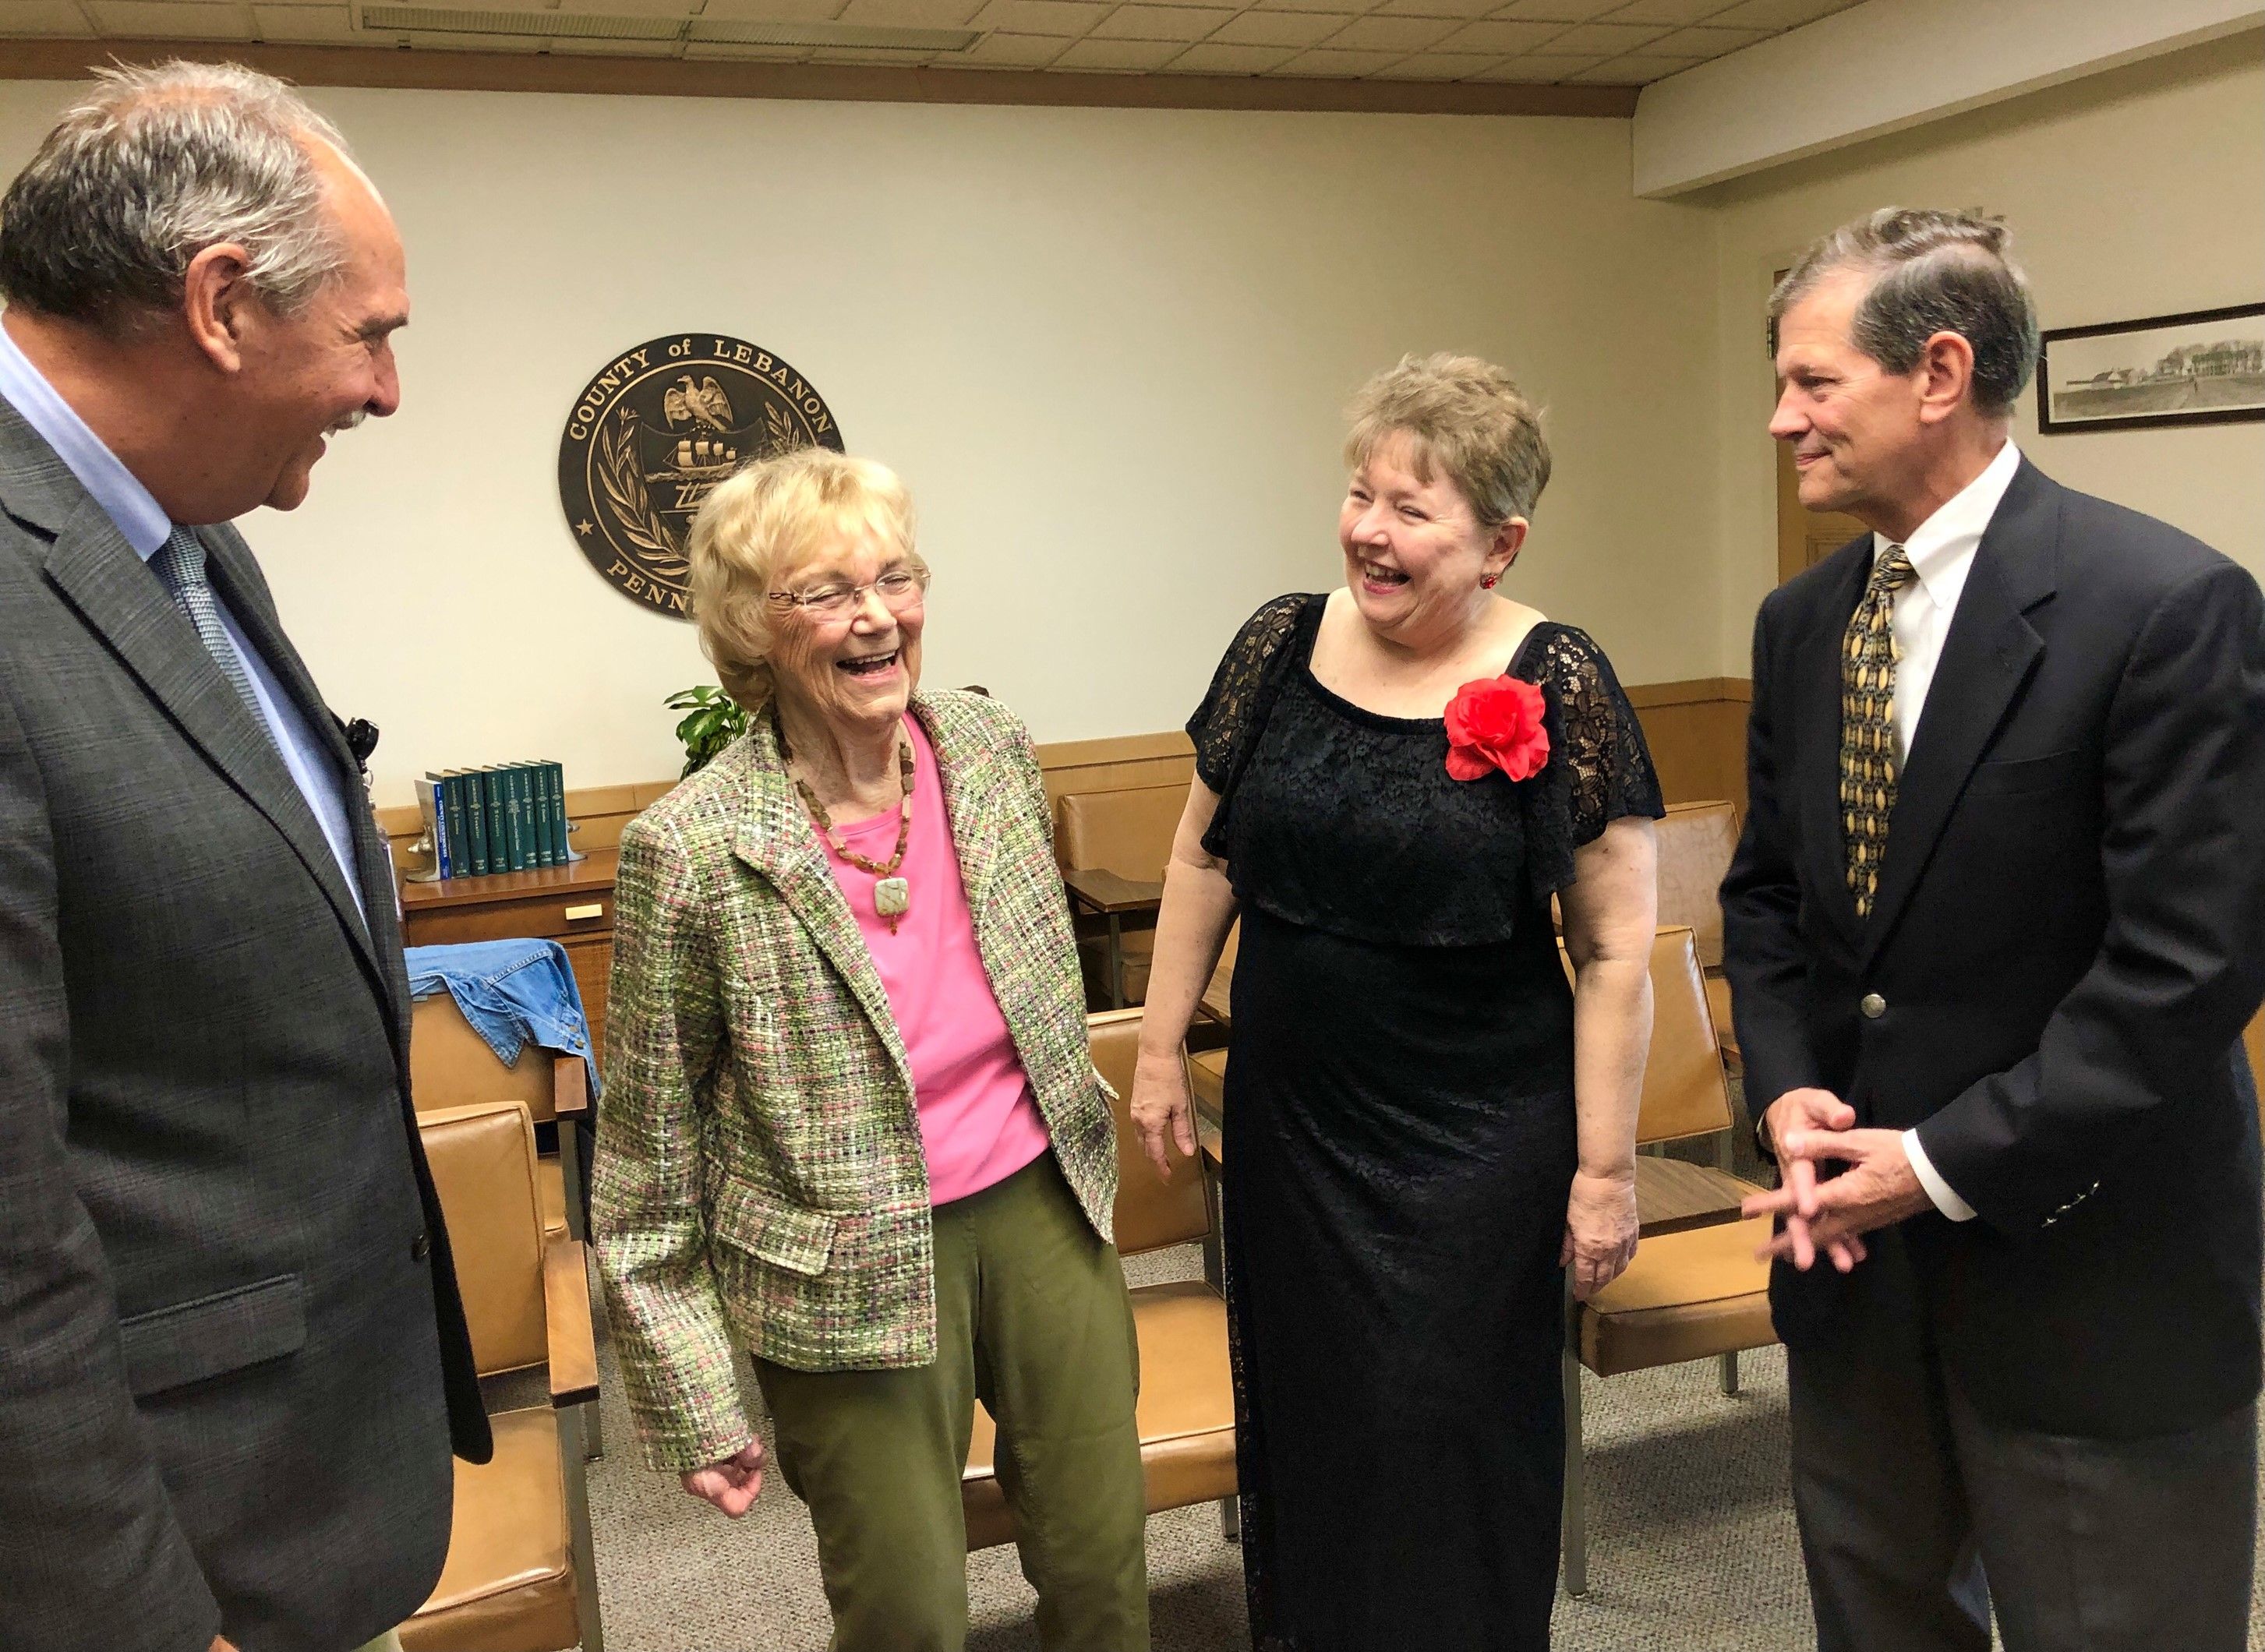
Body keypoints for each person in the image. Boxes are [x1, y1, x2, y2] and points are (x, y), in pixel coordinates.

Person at [1725, 208, 2265, 1652]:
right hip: (1849, 1279)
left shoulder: (2163, 607)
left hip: (2091, 1275)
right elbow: (1769, 899)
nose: (1782, 421)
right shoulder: (1801, 625)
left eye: (1811, 382)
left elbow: (2183, 969)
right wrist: (1784, 1090)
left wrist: (1938, 1162)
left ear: (1940, 371)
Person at [0, 62, 488, 1652]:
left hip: (294, 1486)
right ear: (220, 303)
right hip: (155, 1560)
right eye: (375, 332)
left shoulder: (194, 540)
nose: (386, 390)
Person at [1129, 353, 1663, 1650]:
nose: (1369, 529)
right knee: (1315, 1421)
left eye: (1412, 510)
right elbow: (1200, 858)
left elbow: (1611, 955)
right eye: (1361, 493)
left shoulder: (1560, 677)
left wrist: (1602, 1171)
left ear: (1498, 542)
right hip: (1292, 1121)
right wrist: (1155, 1057)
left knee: (1444, 1429)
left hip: (1477, 1138)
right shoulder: (1273, 642)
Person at [592, 446, 1148, 1652]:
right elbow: (644, 1160)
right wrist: (693, 1394)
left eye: (895, 578)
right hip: (839, 1265)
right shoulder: (687, 850)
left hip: (1041, 1207)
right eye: (827, 591)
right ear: (751, 626)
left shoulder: (990, 754)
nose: (876, 616)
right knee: (908, 1619)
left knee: (1104, 1577)